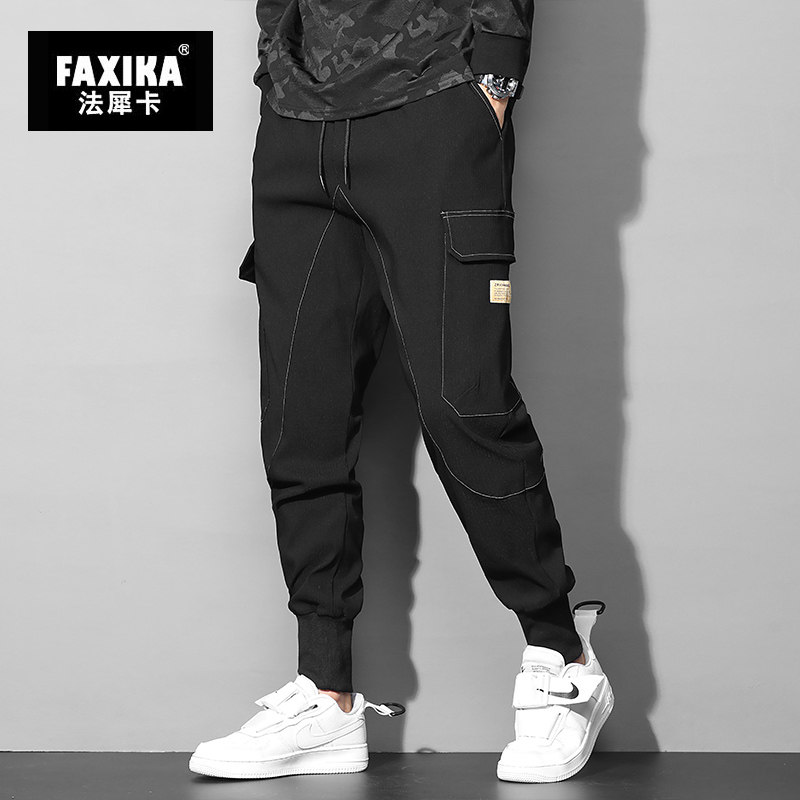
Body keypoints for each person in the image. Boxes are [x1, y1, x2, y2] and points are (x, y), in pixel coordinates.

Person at [189, 0, 614, 783]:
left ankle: (563, 660)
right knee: (300, 419)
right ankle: (325, 694)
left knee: (465, 406)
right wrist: (276, 63)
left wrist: (495, 74)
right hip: (297, 127)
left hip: (434, 105)